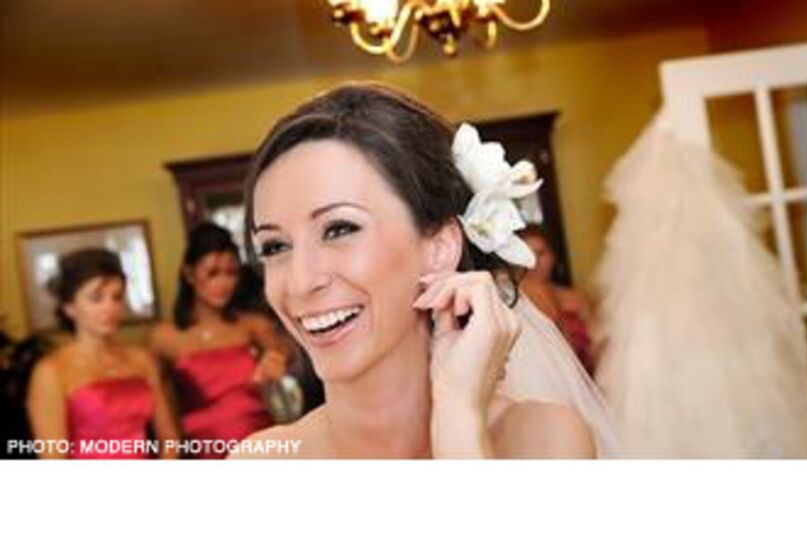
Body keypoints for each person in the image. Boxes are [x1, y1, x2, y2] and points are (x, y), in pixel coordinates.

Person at [235, 83, 620, 459]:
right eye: (274, 247)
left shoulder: (544, 441)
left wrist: (458, 416)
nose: (300, 283)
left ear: (440, 248)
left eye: (339, 229)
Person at [150, 222, 291, 458]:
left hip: (263, 449)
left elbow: (288, 361)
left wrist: (278, 361)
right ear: (189, 274)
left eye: (231, 272)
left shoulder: (253, 326)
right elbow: (161, 413)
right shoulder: (164, 338)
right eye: (213, 273)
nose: (224, 283)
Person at [27, 248, 179, 459]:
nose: (110, 308)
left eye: (117, 297)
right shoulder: (51, 371)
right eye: (96, 298)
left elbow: (170, 439)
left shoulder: (142, 360)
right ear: (70, 307)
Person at [520, 225, 596, 374]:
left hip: (585, 375)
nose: (534, 262)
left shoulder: (576, 298)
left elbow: (597, 343)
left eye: (540, 253)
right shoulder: (515, 302)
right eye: (526, 255)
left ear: (553, 256)